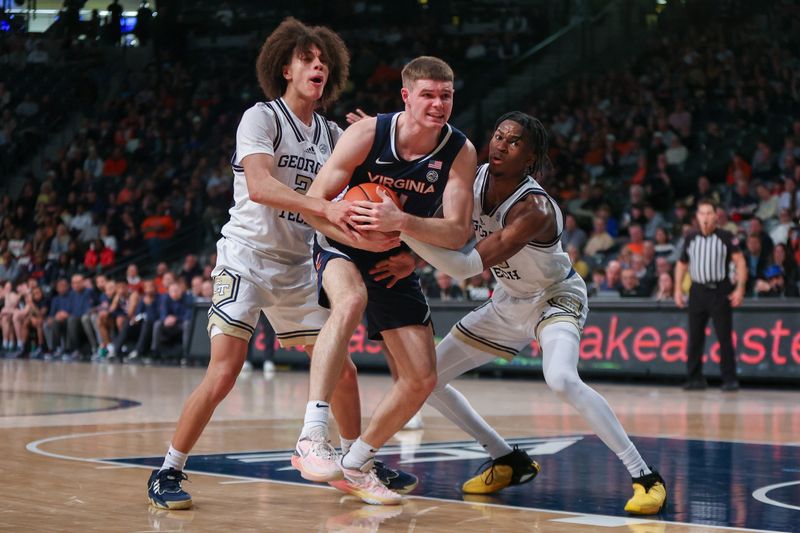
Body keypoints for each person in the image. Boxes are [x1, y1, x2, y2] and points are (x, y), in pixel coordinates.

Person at [146, 18, 413, 511]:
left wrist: (366, 146)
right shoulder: (262, 117)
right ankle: (169, 468)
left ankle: (357, 465)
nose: (318, 65)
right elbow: (262, 188)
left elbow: (366, 185)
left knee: (345, 373)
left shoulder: (332, 133)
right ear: (285, 67)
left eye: (324, 60)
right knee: (224, 373)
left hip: (294, 268)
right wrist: (324, 207)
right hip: (246, 258)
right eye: (308, 58)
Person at [401, 111, 667, 515]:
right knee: (426, 379)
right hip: (508, 300)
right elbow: (433, 218)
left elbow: (464, 265)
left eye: (514, 142)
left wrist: (398, 226)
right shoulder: (472, 177)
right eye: (498, 135)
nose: (500, 145)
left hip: (554, 297)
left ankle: (644, 475)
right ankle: (507, 459)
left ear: (530, 158)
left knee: (560, 378)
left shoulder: (535, 208)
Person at [293, 56, 477, 505]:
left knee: (420, 377)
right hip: (340, 242)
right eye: (428, 94)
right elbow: (312, 203)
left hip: (395, 257)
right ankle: (312, 434)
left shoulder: (459, 150)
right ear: (406, 96)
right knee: (350, 301)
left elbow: (457, 231)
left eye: (446, 95)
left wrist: (403, 229)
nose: (438, 104)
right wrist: (354, 233)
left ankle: (358, 460)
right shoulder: (367, 134)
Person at [674, 198, 747, 392]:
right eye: (702, 213)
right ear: (697, 217)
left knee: (724, 337)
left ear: (716, 216)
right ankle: (694, 378)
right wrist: (677, 289)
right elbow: (682, 264)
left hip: (719, 290)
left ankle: (729, 379)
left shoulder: (725, 236)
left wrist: (740, 288)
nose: (705, 217)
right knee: (695, 337)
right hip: (697, 290)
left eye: (709, 213)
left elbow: (740, 262)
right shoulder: (690, 237)